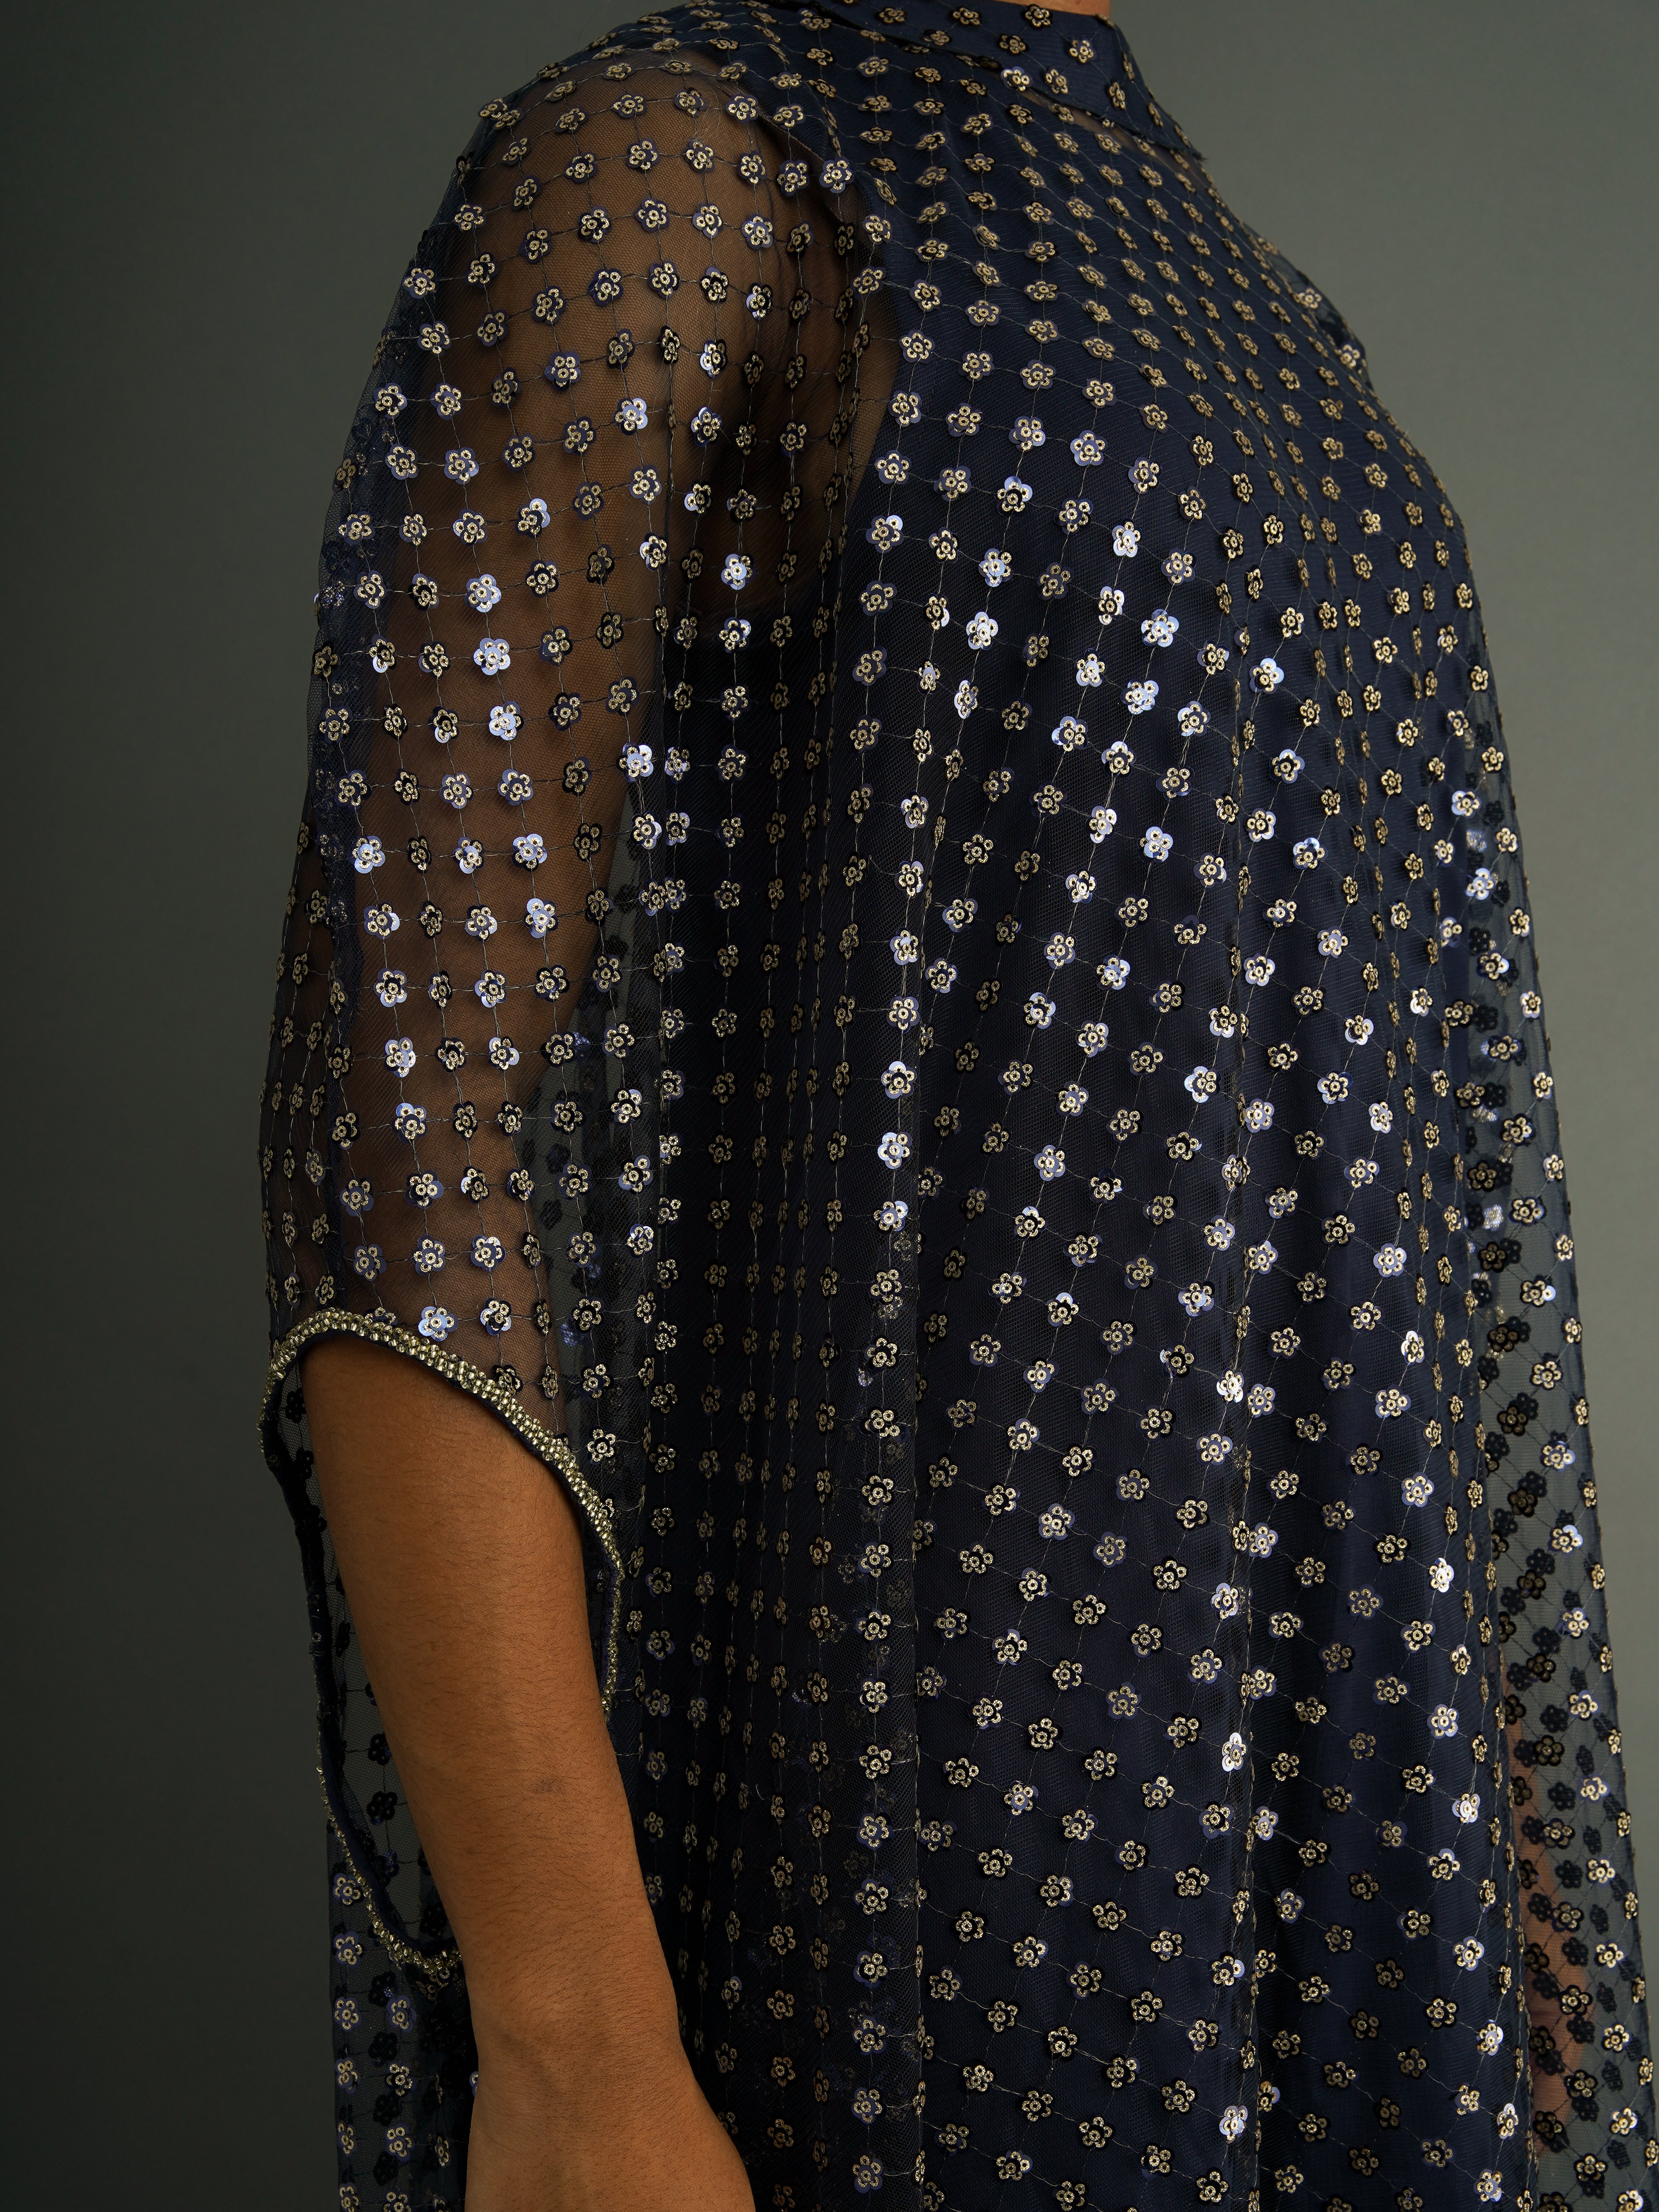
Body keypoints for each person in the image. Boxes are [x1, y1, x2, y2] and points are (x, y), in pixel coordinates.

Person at [258, 2, 1654, 2205]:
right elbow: (405, 1130)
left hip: (1349, 1804)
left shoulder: (1267, 315)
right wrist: (579, 2042)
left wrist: (1489, 1805)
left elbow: (1375, 1141)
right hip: (944, 1820)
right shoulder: (691, 166)